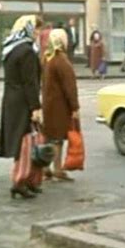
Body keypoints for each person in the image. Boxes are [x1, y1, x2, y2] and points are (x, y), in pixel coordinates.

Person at [0, 15, 43, 199]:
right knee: (26, 142)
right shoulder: (27, 51)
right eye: (37, 29)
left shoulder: (11, 48)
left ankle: (29, 180)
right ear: (29, 28)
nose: (39, 33)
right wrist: (36, 107)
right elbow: (29, 82)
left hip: (11, 99)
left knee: (23, 141)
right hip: (23, 102)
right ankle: (20, 180)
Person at [42, 29, 80, 181]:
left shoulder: (47, 57)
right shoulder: (61, 59)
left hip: (48, 103)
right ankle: (57, 169)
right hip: (60, 105)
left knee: (49, 136)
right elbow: (69, 86)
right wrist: (75, 107)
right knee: (58, 139)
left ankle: (46, 168)